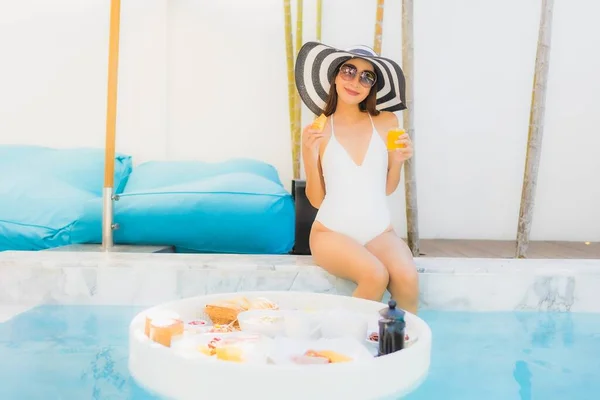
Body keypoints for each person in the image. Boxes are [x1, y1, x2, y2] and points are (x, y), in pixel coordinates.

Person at [294, 42, 419, 314]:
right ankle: (345, 346)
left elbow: (386, 188)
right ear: (336, 76)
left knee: (408, 278)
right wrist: (309, 153)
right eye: (349, 71)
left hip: (379, 231)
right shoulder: (319, 129)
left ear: (372, 86)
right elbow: (316, 199)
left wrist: (397, 162)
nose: (356, 81)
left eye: (367, 76)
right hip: (330, 233)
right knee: (375, 275)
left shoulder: (387, 122)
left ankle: (402, 350)